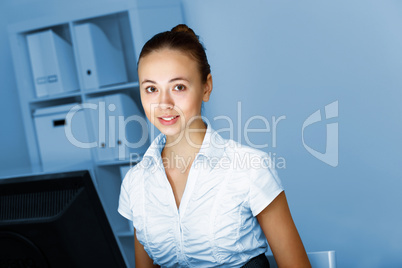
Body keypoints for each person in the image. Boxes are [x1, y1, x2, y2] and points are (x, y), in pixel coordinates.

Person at [118, 24, 311, 268]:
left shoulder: (249, 168)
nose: (163, 103)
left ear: (206, 87)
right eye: (151, 89)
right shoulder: (136, 183)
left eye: (178, 87)